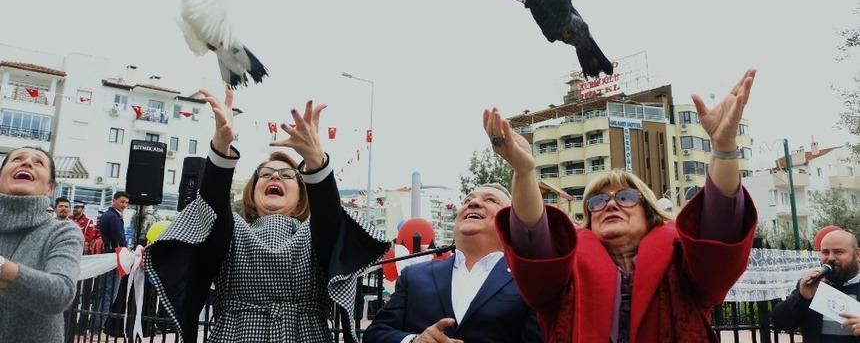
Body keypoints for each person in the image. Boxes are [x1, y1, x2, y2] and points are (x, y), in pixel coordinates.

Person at [488, 69, 759, 342]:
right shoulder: (566, 271)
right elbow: (531, 240)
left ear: (650, 212)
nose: (610, 205)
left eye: (626, 197)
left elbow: (720, 230)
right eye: (597, 201)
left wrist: (724, 148)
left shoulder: (681, 262)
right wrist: (524, 171)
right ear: (589, 220)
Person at [144, 87, 390, 342]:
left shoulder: (315, 232)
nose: (274, 176)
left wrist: (316, 160)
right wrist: (220, 148)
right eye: (265, 173)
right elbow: (212, 207)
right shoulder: (232, 229)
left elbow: (329, 217)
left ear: (302, 194)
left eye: (286, 175)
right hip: (235, 335)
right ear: (252, 191)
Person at [364, 184, 542, 343]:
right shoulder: (414, 276)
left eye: (490, 200)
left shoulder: (529, 281)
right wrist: (414, 341)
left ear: (510, 222)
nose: (473, 203)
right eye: (468, 200)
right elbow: (375, 334)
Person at [0, 146, 83, 343]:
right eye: (17, 159)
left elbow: (61, 294)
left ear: (50, 187)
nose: (27, 163)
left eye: (38, 162)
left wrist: (3, 268)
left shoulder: (63, 232)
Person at [772, 229, 860, 341]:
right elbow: (781, 323)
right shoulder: (812, 285)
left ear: (857, 254)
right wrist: (801, 297)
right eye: (825, 252)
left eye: (838, 252)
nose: (831, 258)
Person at [91, 190, 130, 333]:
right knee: (109, 294)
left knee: (103, 293)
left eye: (126, 202)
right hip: (114, 258)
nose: (124, 205)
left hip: (108, 256)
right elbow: (120, 241)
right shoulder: (113, 217)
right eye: (121, 201)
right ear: (113, 201)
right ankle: (97, 328)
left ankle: (94, 326)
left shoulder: (108, 215)